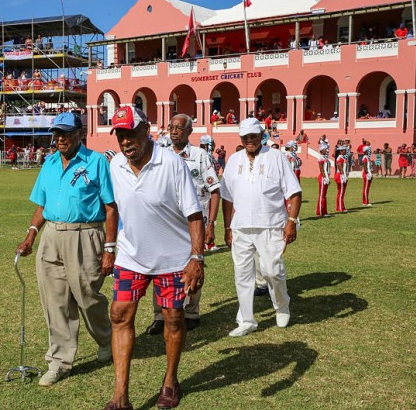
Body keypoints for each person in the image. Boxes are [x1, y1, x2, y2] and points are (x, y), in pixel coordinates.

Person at [103, 106, 204, 410]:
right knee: (120, 315)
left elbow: (194, 214)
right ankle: (120, 395)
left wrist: (196, 258)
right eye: (120, 135)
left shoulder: (172, 163)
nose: (125, 141)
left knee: (173, 318)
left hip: (172, 260)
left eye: (131, 133)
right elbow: (113, 208)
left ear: (146, 131)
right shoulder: (116, 165)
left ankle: (170, 381)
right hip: (131, 257)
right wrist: (110, 247)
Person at [16, 112, 117, 387]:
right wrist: (31, 235)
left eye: (66, 133)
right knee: (55, 301)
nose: (60, 138)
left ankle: (107, 339)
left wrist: (109, 248)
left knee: (87, 296)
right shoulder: (49, 163)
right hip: (51, 236)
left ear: (79, 133)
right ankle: (59, 361)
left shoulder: (96, 162)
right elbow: (42, 205)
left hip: (86, 235)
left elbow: (111, 207)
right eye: (57, 133)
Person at [220, 118, 302, 337]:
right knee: (242, 275)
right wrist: (227, 228)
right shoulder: (234, 160)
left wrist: (291, 222)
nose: (249, 140)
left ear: (261, 135)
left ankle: (282, 306)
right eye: (245, 137)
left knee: (272, 271)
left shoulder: (276, 157)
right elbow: (226, 197)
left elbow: (294, 192)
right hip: (241, 227)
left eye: (253, 136)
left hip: (271, 225)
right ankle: (246, 320)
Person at [145, 114, 220, 336]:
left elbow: (215, 190)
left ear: (189, 132)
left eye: (179, 128)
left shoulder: (200, 156)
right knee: (160, 268)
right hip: (165, 223)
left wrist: (212, 224)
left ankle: (191, 313)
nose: (174, 131)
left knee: (194, 265)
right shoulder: (160, 153)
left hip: (194, 223)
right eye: (171, 127)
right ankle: (160, 316)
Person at [317, 142, 331, 217]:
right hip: (323, 177)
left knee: (324, 195)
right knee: (321, 195)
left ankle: (324, 211)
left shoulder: (325, 158)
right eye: (325, 149)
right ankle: (320, 212)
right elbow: (321, 169)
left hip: (326, 176)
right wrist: (325, 177)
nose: (326, 150)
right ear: (321, 150)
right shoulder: (321, 158)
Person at [334, 145, 348, 212]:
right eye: (344, 150)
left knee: (341, 192)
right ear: (341, 151)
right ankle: (340, 207)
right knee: (341, 192)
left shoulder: (341, 157)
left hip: (340, 175)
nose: (345, 151)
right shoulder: (340, 158)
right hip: (340, 175)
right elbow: (340, 167)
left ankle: (340, 206)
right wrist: (343, 176)